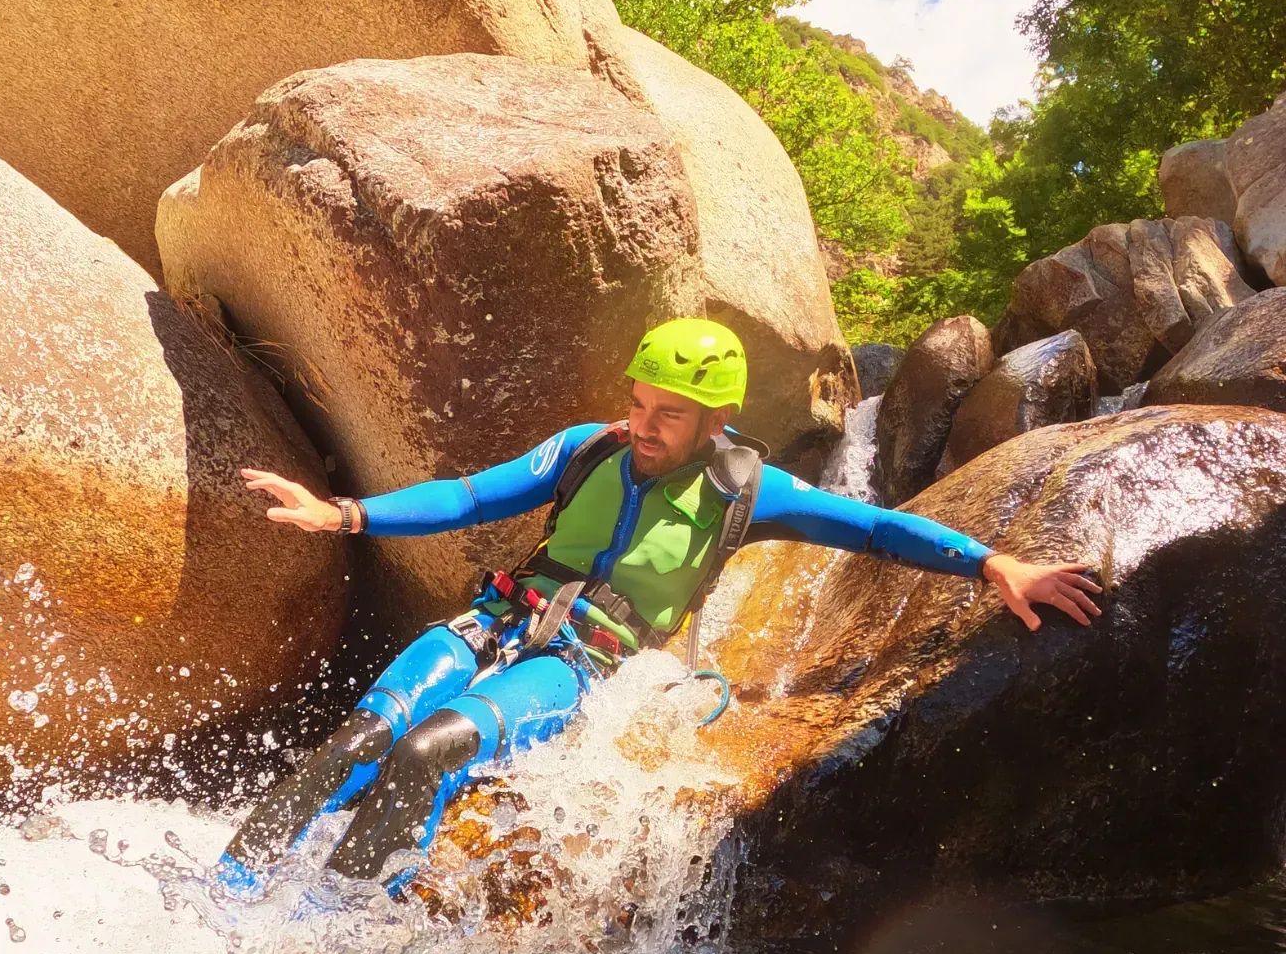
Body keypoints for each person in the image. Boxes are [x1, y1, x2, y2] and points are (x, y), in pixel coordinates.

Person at [217, 319, 1100, 894]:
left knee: (428, 748)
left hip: (578, 666)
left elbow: (874, 529)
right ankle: (229, 886)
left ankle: (331, 927)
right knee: (360, 739)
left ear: (717, 418)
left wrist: (994, 565)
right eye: (639, 404)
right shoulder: (585, 449)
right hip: (498, 619)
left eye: (668, 414)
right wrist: (344, 514)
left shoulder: (752, 493)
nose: (642, 425)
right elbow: (466, 496)